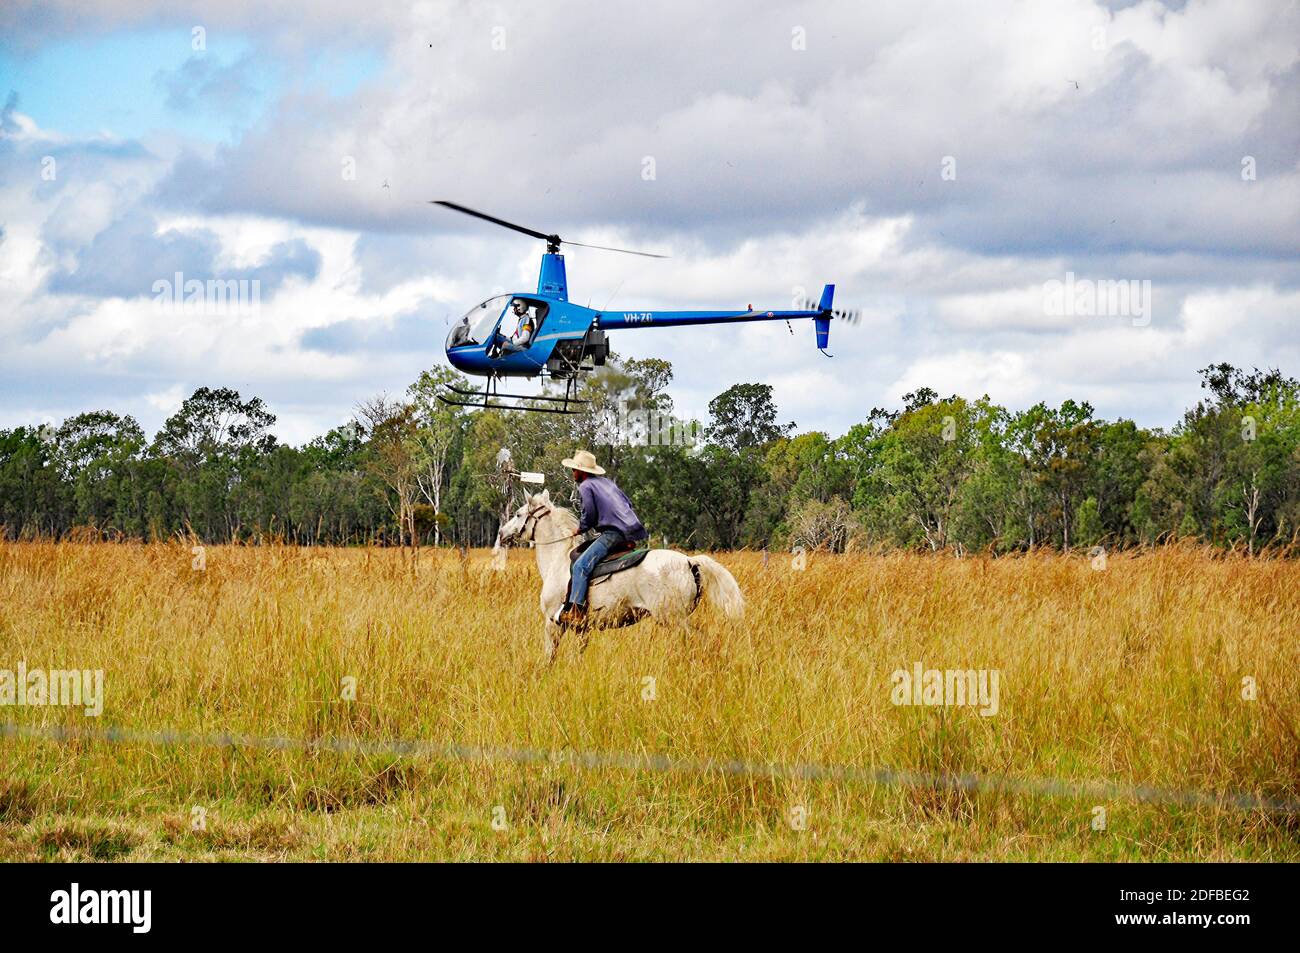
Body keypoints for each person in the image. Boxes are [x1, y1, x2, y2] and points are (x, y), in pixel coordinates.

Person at [557, 450, 648, 627]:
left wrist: (580, 528)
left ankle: (576, 611)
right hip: (626, 532)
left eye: (575, 469)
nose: (573, 473)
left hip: (612, 534)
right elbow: (628, 503)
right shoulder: (607, 483)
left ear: (582, 472)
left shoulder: (585, 486)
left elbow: (589, 514)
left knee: (581, 566)